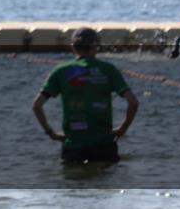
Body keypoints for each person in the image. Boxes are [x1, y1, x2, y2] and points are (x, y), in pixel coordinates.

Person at [32, 27, 139, 164]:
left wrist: (50, 133)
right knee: (106, 181)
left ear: (73, 47)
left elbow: (37, 105)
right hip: (104, 145)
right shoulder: (108, 69)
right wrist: (123, 129)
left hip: (73, 145)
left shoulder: (61, 71)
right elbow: (133, 102)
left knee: (73, 180)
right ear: (96, 46)